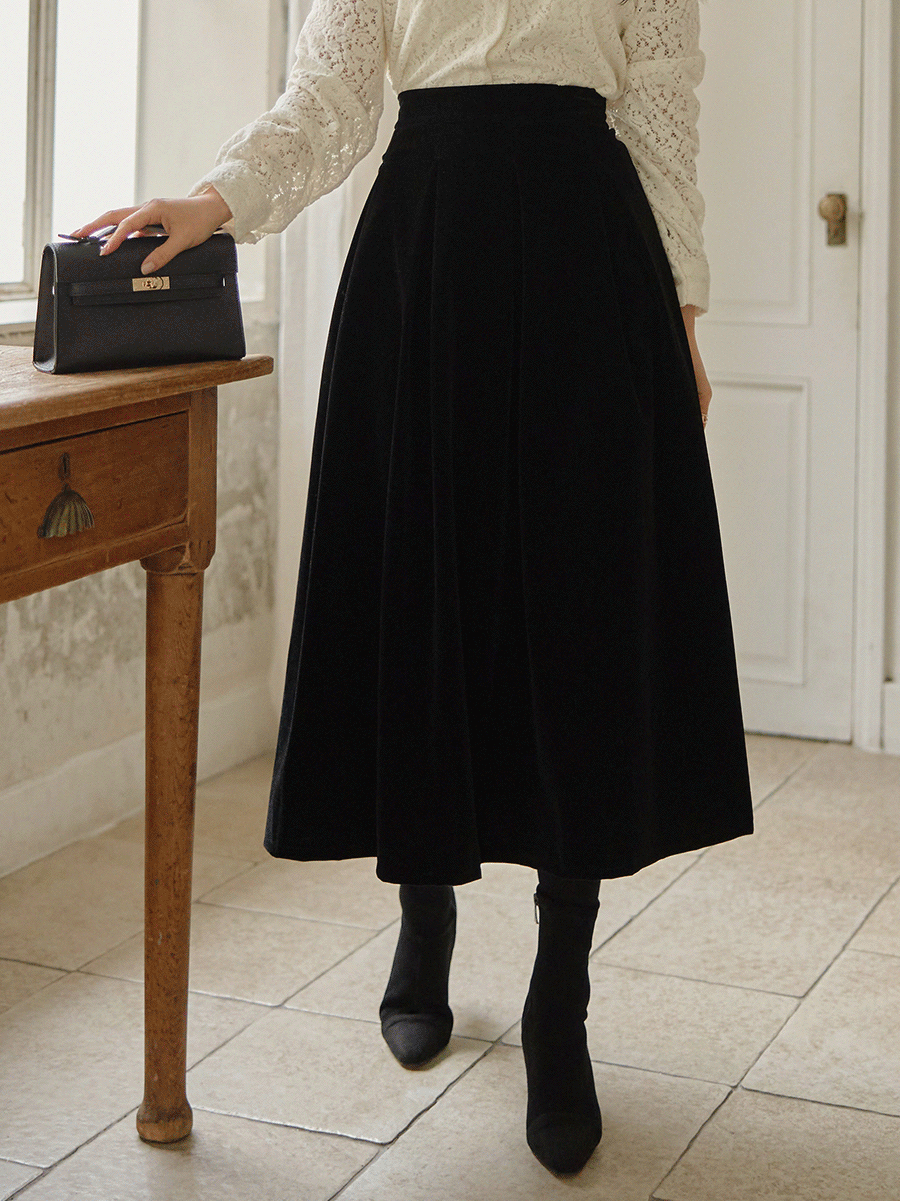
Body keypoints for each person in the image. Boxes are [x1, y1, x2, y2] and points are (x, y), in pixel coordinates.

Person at [71, 0, 754, 1177]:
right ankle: (423, 914)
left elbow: (660, 110)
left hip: (593, 262)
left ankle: (560, 999)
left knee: (580, 621)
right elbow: (331, 97)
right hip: (425, 255)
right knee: (421, 592)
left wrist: (683, 310)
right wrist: (214, 199)